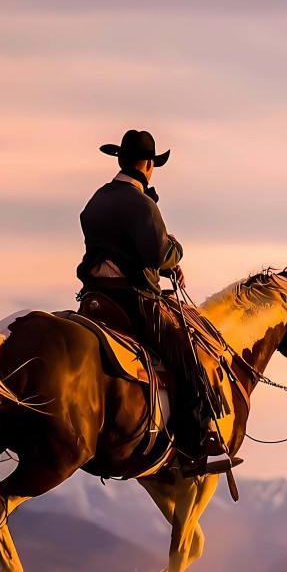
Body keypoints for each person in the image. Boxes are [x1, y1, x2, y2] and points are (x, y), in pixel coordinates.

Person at [76, 129, 226, 467]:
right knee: (190, 358)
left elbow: (121, 250)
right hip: (134, 301)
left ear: (120, 160)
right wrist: (175, 249)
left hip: (93, 298)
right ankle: (192, 447)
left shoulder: (95, 201)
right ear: (147, 165)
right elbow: (158, 253)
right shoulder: (141, 204)